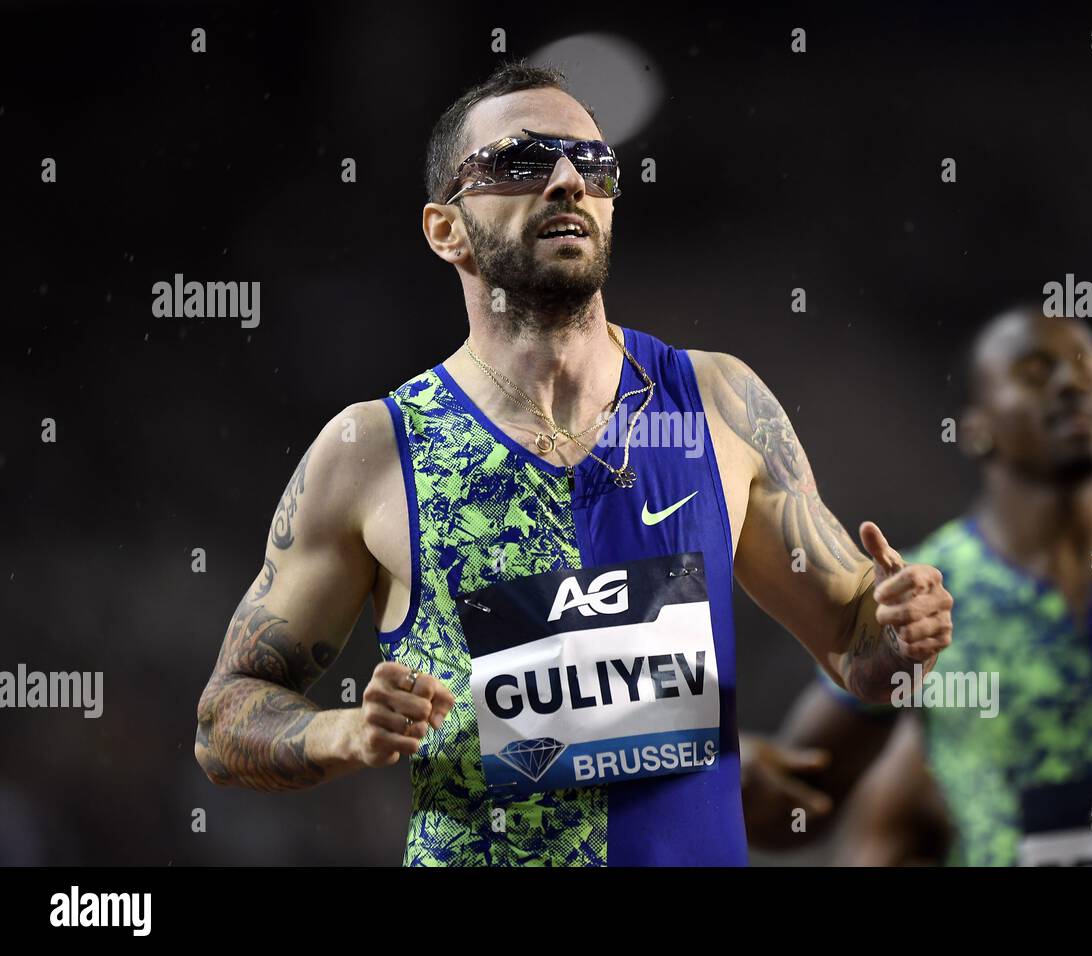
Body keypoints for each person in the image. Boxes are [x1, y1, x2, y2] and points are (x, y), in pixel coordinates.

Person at [192, 61, 953, 866]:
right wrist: (343, 730)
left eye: (593, 163)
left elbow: (857, 649)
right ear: (445, 229)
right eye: (521, 162)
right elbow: (222, 721)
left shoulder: (720, 405)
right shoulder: (371, 451)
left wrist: (901, 636)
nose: (566, 180)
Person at [743, 305, 1092, 865]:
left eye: (1089, 367)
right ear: (976, 428)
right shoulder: (917, 595)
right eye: (1036, 371)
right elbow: (794, 809)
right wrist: (719, 770)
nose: (1072, 382)